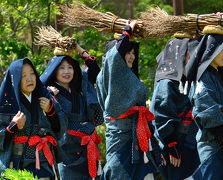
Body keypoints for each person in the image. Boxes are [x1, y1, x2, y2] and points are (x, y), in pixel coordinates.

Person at [96, 20, 159, 180]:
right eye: (127, 52)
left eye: (133, 52)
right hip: (120, 138)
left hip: (136, 136)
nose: (131, 56)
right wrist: (126, 31)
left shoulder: (126, 77)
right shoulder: (108, 75)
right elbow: (114, 59)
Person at [40, 44, 104, 180]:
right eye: (61, 68)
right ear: (54, 71)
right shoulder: (49, 92)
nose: (66, 71)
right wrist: (49, 94)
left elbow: (95, 72)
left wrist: (79, 49)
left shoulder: (79, 87)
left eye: (70, 67)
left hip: (88, 148)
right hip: (66, 152)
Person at [187, 25, 223, 179]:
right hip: (213, 144)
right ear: (212, 49)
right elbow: (208, 112)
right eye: (222, 50)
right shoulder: (203, 77)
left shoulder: (221, 74)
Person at [0, 58, 66, 179]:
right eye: (23, 75)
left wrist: (50, 112)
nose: (29, 79)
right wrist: (12, 126)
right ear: (15, 79)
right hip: (16, 164)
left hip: (43, 162)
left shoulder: (45, 98)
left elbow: (60, 130)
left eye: (32, 73)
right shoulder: (5, 104)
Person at [150, 33, 201, 180]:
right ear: (180, 55)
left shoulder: (184, 77)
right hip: (173, 145)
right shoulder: (167, 81)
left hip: (188, 141)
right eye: (189, 53)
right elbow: (161, 115)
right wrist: (172, 144)